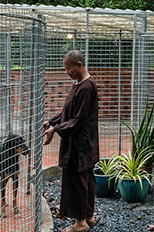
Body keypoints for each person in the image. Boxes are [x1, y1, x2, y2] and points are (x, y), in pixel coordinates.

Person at [43, 49, 99, 232]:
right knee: (86, 179)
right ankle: (88, 216)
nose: (67, 72)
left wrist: (55, 130)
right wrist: (52, 121)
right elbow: (69, 112)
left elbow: (77, 120)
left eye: (68, 69)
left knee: (77, 181)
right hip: (82, 143)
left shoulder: (85, 87)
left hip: (80, 145)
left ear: (79, 65)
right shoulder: (79, 84)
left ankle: (80, 224)